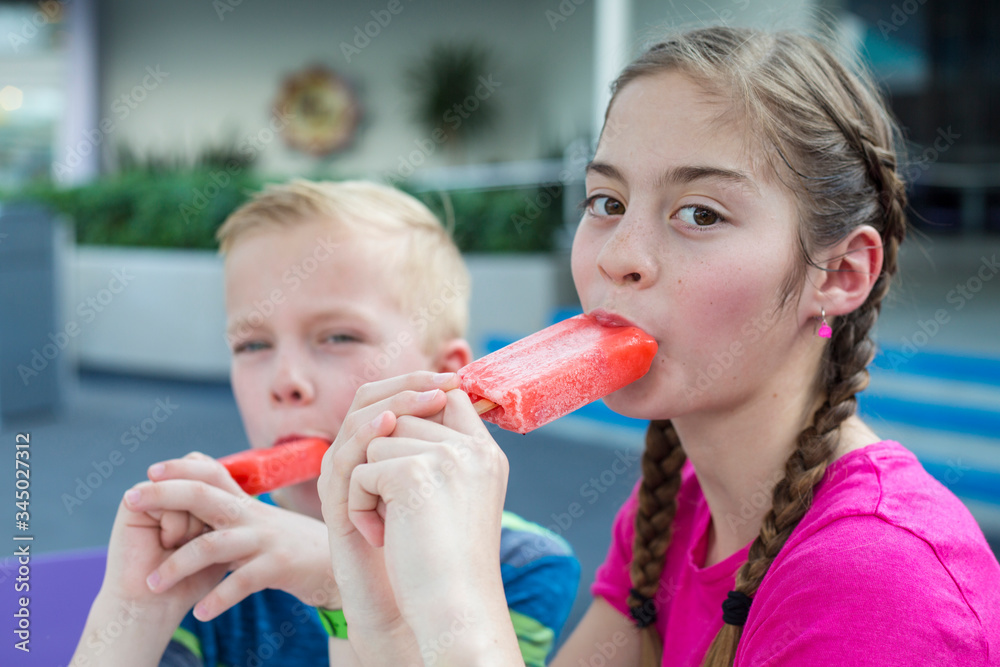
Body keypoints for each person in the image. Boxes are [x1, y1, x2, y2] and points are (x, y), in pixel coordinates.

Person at [318, 26, 1000, 666]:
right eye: (606, 201)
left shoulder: (883, 582)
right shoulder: (676, 512)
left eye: (699, 213)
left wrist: (459, 600)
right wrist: (378, 598)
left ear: (843, 272)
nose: (619, 256)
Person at [70, 180, 580, 666]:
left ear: (443, 380)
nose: (286, 380)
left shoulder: (520, 566)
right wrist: (133, 611)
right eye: (253, 345)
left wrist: (342, 589)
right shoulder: (210, 560)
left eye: (337, 337)